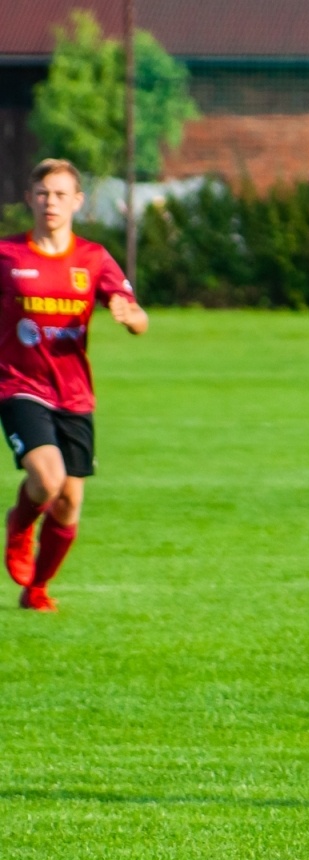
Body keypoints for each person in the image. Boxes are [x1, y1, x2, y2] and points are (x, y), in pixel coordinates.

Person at [1, 158, 148, 612]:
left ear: (77, 202)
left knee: (68, 505)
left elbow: (137, 315)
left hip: (74, 395)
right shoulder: (7, 255)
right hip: (18, 386)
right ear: (30, 197)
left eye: (61, 194)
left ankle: (38, 588)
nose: (51, 202)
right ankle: (20, 523)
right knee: (47, 478)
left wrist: (129, 317)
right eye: (43, 193)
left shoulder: (93, 258)